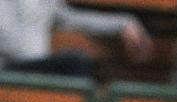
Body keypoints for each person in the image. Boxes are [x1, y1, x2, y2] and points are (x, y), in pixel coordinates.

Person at [0, 0, 150, 76]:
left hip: (37, 69)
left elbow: (74, 19)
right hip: (8, 69)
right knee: (75, 62)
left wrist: (123, 24)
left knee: (77, 62)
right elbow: (8, 43)